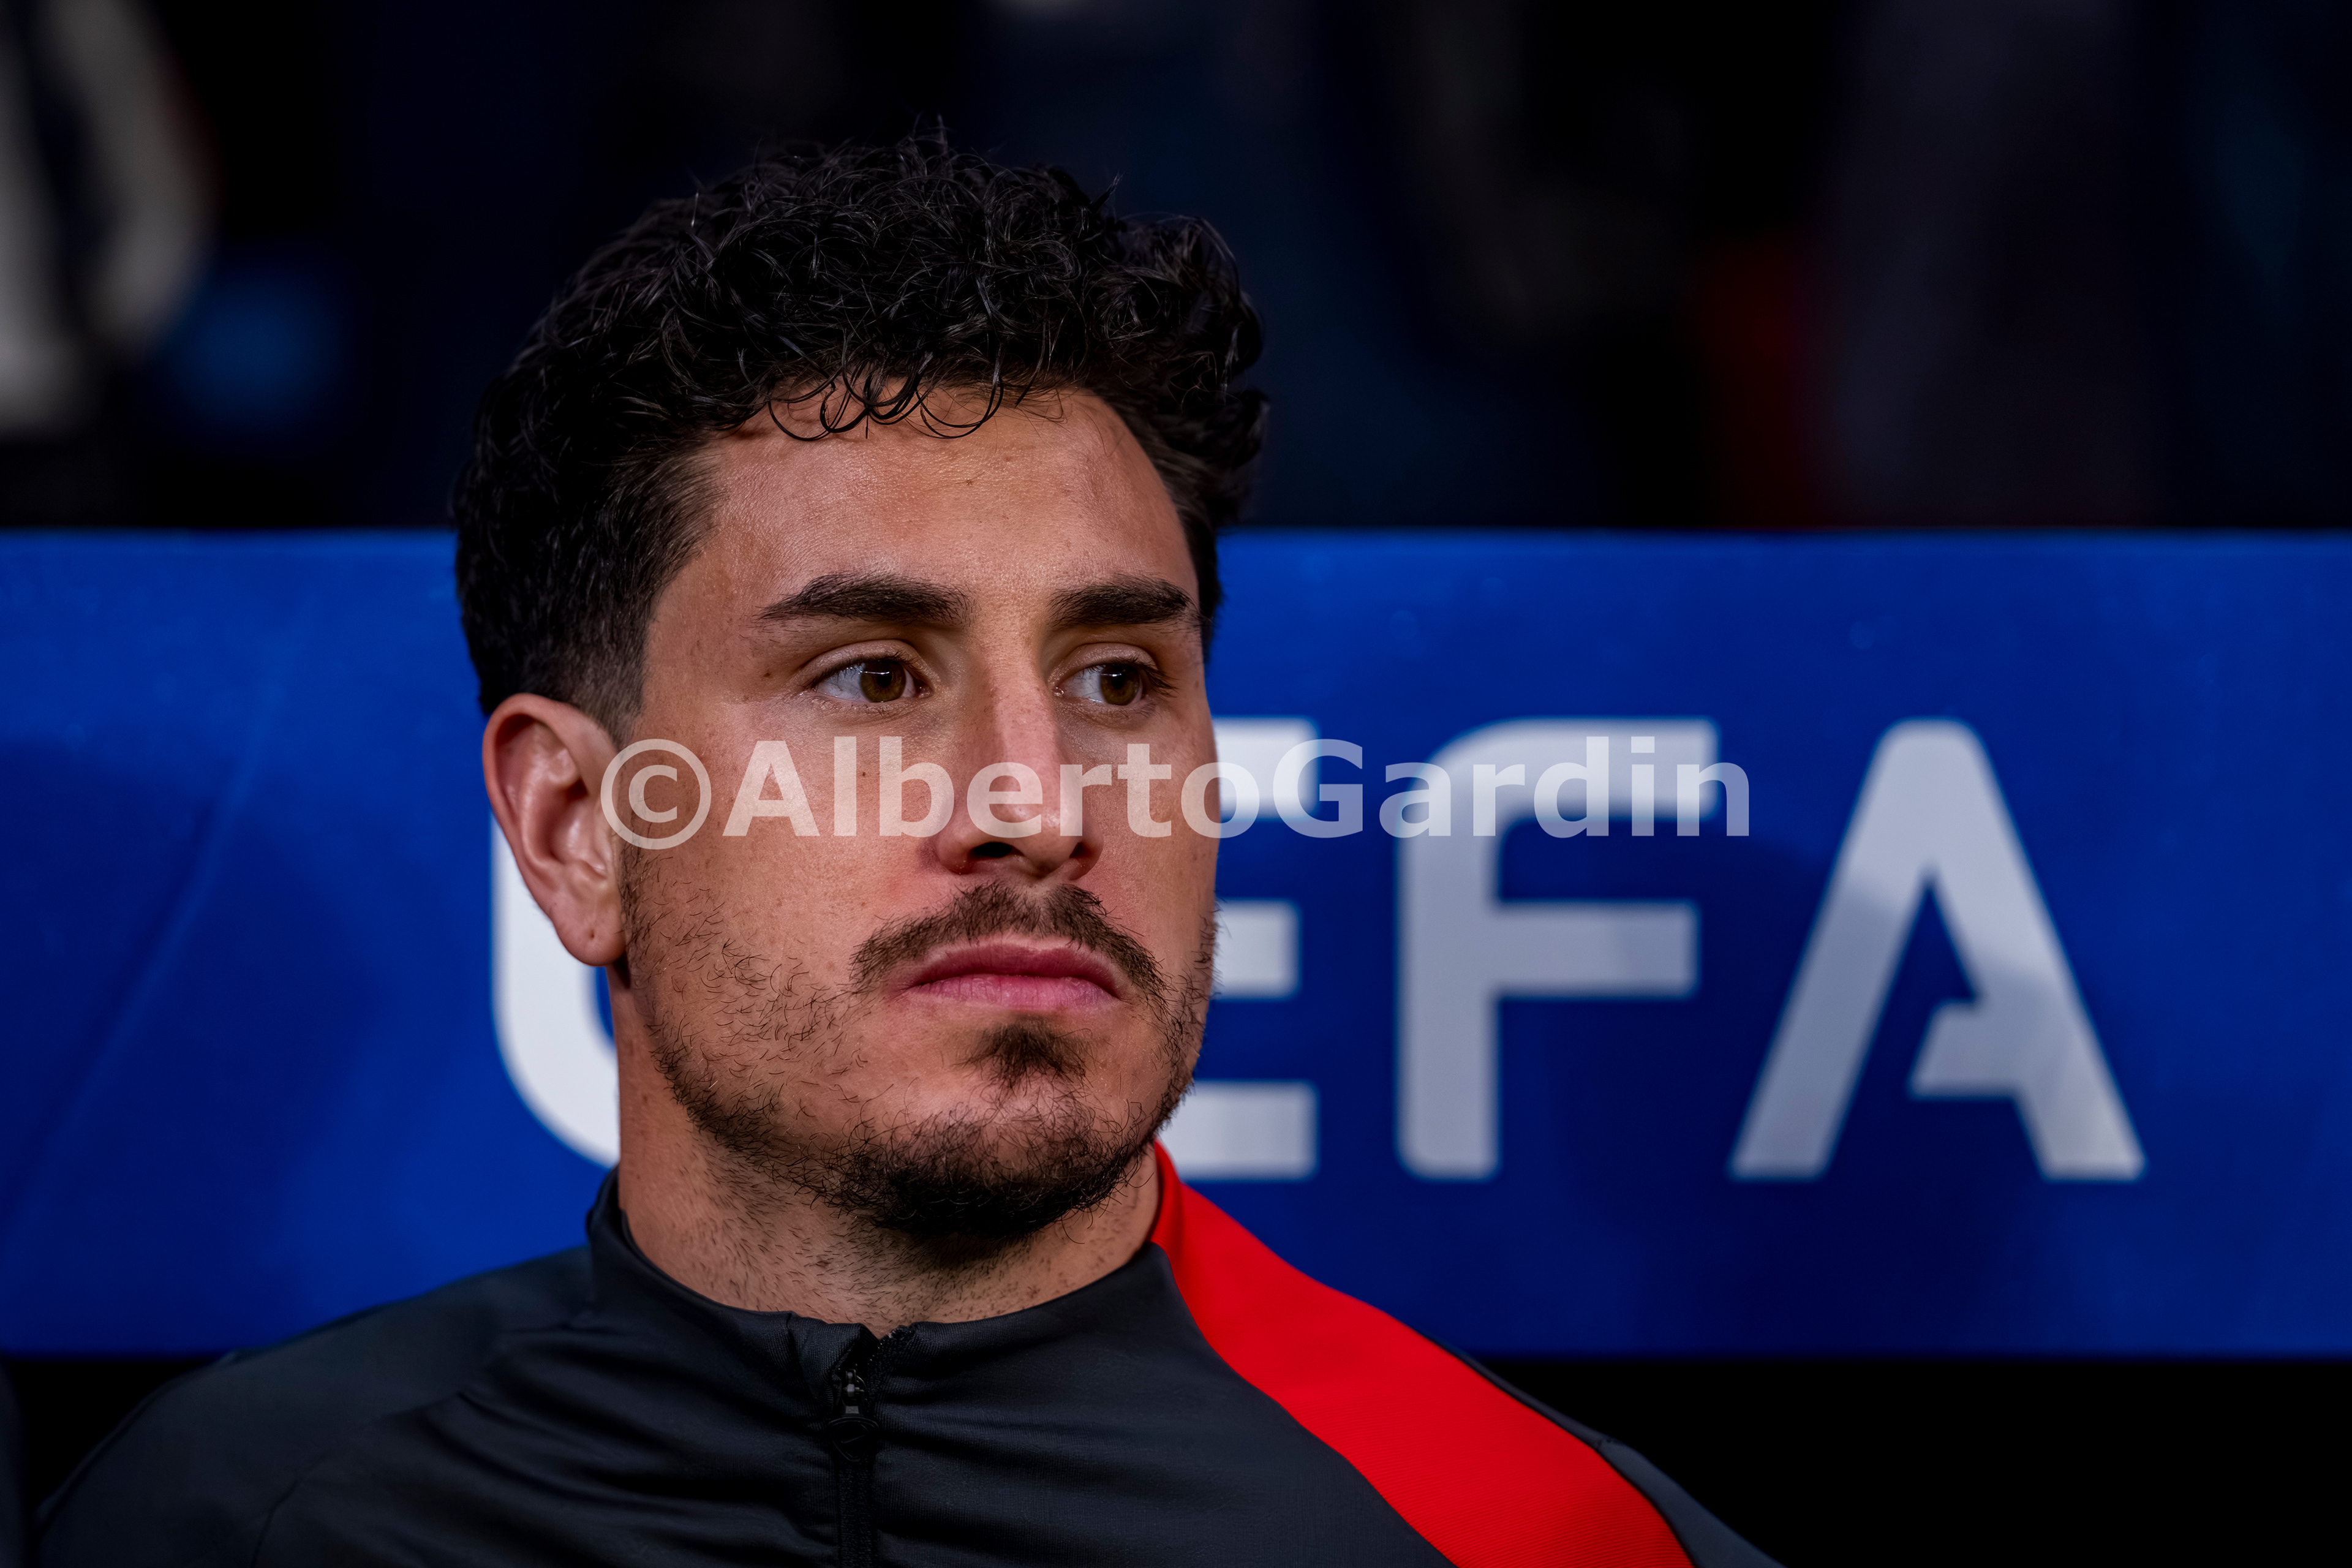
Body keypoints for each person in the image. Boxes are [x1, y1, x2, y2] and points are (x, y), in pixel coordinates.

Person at [37, 135, 1774, 1567]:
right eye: (872, 678)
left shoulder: (1542, 1540)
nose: (1039, 803)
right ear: (575, 827)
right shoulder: (223, 1525)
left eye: (1118, 678)